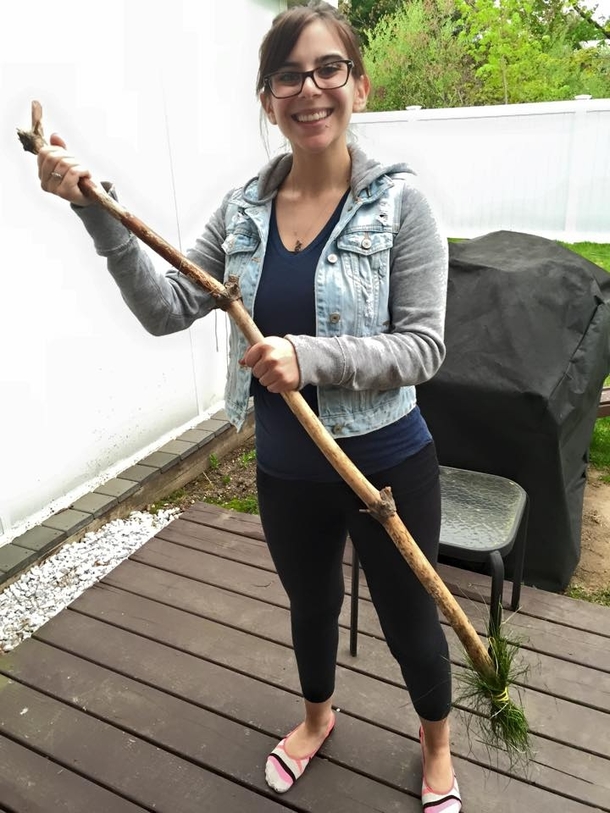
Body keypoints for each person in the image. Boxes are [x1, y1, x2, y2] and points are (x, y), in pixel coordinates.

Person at [36, 2, 459, 810]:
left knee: (412, 618)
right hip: (286, 463)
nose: (310, 88)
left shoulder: (403, 207)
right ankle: (317, 718)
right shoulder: (243, 213)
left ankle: (435, 747)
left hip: (386, 460)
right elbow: (167, 305)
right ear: (268, 98)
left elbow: (424, 348)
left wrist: (312, 356)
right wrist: (96, 210)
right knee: (310, 605)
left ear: (359, 85)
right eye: (287, 75)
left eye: (328, 68)